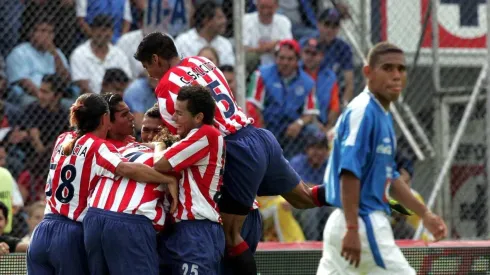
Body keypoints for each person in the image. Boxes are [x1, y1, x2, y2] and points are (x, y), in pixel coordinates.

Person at [134, 32, 329, 275]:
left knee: (229, 235)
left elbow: (187, 141)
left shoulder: (166, 91)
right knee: (305, 198)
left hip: (234, 150)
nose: (149, 74)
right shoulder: (201, 62)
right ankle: (351, 190)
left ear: (156, 59)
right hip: (258, 136)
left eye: (146, 66)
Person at [316, 42, 447, 275]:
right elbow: (348, 171)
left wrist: (424, 214)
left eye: (401, 69)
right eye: (387, 68)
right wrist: (353, 227)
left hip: (347, 223)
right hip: (363, 222)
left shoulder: (381, 114)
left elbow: (392, 177)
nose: (397, 76)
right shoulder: (363, 111)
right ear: (368, 72)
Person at [26, 93, 177, 275]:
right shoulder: (98, 147)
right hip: (71, 233)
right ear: (105, 118)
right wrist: (168, 178)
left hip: (42, 230)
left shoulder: (63, 139)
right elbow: (127, 169)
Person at [151, 85, 225, 274]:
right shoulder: (200, 136)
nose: (174, 118)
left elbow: (160, 163)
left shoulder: (206, 134)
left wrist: (158, 145)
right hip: (184, 229)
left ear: (198, 117)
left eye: (179, 113)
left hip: (197, 230)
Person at [84, 142, 177, 275]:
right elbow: (172, 208)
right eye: (146, 130)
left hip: (94, 216)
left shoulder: (123, 148)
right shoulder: (167, 162)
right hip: (130, 222)